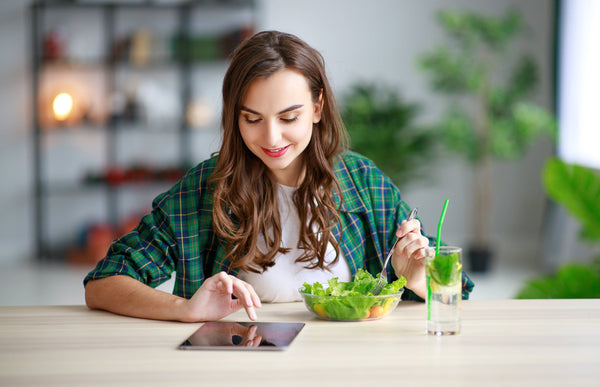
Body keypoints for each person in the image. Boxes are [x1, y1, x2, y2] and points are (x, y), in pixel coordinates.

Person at [84, 30, 474, 322]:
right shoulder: (207, 188)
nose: (271, 138)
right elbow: (104, 284)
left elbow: (458, 289)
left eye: (289, 117)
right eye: (252, 119)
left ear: (318, 107)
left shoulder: (363, 182)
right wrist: (185, 309)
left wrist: (417, 279)